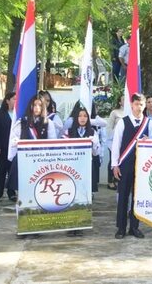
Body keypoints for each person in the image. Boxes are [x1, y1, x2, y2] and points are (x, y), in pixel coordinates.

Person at [110, 93, 152, 239]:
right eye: (137, 104)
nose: (139, 107)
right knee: (123, 196)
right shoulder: (123, 122)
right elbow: (116, 144)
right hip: (125, 164)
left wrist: (149, 140)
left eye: (142, 105)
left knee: (138, 197)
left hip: (142, 166)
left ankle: (135, 227)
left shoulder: (149, 123)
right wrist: (115, 165)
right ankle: (121, 228)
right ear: (131, 105)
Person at [8, 95, 57, 204]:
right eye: (34, 105)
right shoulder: (22, 122)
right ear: (30, 106)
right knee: (23, 183)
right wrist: (16, 142)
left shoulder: (48, 123)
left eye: (40, 105)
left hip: (40, 159)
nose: (37, 108)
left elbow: (52, 143)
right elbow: (13, 139)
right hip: (24, 158)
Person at [63, 101, 101, 236]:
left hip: (86, 169)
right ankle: (70, 224)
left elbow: (97, 153)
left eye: (85, 116)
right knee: (70, 196)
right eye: (80, 116)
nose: (83, 118)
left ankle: (79, 224)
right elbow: (62, 149)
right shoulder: (68, 132)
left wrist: (95, 144)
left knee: (83, 197)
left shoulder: (92, 132)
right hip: (72, 169)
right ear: (76, 117)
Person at [0, 92, 17, 203]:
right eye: (14, 99)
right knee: (1, 170)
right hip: (2, 146)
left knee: (12, 171)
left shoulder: (18, 114)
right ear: (7, 100)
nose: (16, 101)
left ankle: (11, 193)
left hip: (14, 148)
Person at [106, 95, 124, 190]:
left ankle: (118, 180)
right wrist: (111, 138)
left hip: (124, 141)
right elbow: (109, 127)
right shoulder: (115, 112)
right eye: (123, 99)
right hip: (113, 140)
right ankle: (110, 181)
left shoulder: (131, 112)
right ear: (120, 102)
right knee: (112, 160)